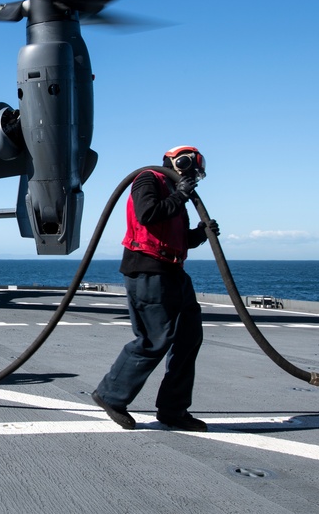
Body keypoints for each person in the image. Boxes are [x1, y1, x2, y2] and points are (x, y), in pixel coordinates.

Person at [91, 146, 219, 432]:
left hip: (173, 272)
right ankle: (111, 396)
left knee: (188, 338)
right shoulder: (149, 179)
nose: (193, 178)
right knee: (153, 339)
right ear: (178, 163)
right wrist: (181, 194)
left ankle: (173, 410)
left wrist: (200, 234)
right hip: (148, 270)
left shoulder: (174, 191)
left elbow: (174, 236)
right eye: (191, 171)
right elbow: (148, 214)